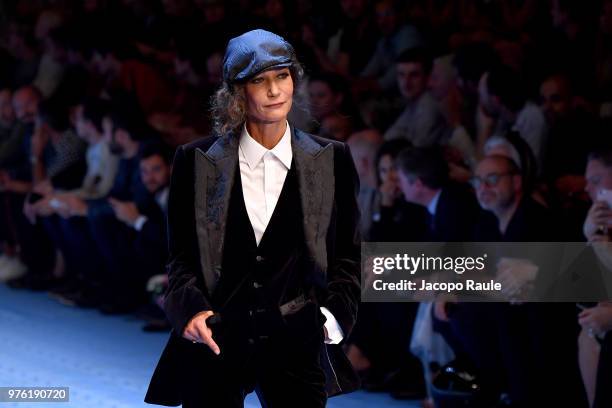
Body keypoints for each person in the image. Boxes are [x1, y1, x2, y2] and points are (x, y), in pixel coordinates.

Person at [145, 29, 361, 407]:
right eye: (260, 80)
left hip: (296, 338)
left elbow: (348, 254)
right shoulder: (195, 161)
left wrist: (331, 317)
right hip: (217, 337)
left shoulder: (332, 159)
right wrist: (192, 309)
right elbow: (180, 257)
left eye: (282, 76)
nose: (275, 91)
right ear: (236, 92)